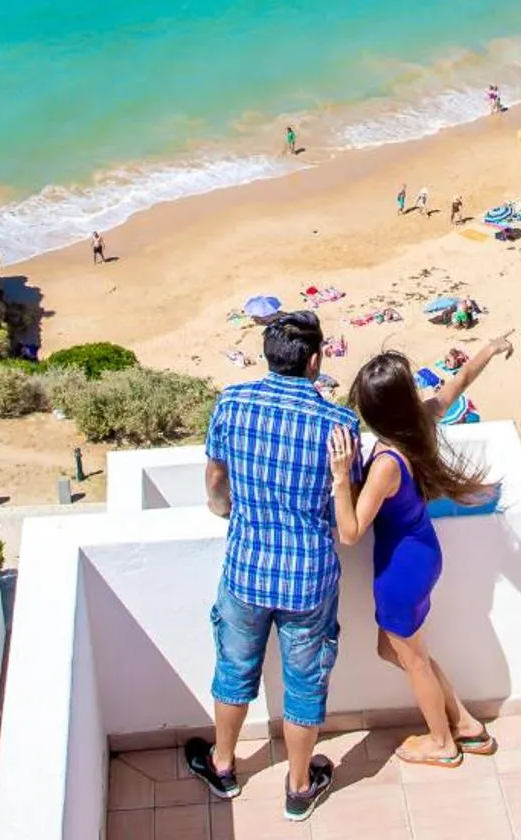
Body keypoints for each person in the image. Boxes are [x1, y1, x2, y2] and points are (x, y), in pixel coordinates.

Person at [188, 311, 359, 821]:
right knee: (305, 683)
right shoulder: (339, 425)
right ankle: (299, 785)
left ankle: (222, 765)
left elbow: (216, 479)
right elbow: (339, 511)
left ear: (268, 354)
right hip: (307, 577)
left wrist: (223, 509)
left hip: (246, 566)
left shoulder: (232, 404)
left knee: (234, 668)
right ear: (314, 360)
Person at [327, 337, 513, 767]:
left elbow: (351, 531)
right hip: (420, 553)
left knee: (412, 659)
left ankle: (443, 744)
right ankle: (466, 724)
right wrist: (489, 348)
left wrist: (340, 477)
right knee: (398, 651)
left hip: (400, 569)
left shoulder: (387, 462)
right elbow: (458, 383)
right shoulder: (421, 423)